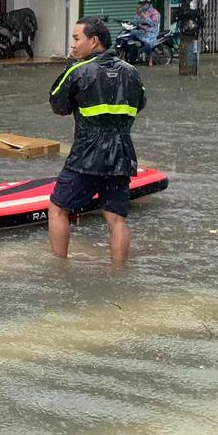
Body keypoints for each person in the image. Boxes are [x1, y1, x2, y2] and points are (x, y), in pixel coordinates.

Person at [48, 16, 146, 265]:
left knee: (58, 209)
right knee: (115, 218)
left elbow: (58, 105)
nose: (72, 44)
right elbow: (140, 103)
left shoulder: (78, 71)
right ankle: (118, 274)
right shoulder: (131, 72)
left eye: (76, 38)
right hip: (122, 155)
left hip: (87, 154)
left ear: (93, 41)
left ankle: (59, 269)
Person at [136, 0, 161, 65]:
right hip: (142, 32)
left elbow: (153, 23)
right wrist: (138, 15)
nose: (142, 6)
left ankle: (150, 59)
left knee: (147, 44)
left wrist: (144, 16)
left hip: (151, 33)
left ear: (148, 4)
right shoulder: (142, 12)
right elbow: (137, 21)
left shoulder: (155, 13)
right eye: (141, 4)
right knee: (129, 35)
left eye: (143, 4)